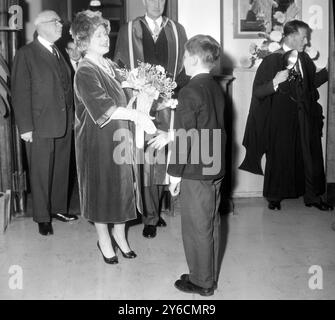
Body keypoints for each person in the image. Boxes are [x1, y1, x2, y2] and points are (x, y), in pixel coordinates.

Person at [71, 10, 156, 264]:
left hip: (119, 138)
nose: (106, 39)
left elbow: (124, 95)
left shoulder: (109, 65)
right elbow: (104, 108)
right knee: (102, 190)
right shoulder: (85, 71)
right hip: (97, 142)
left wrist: (144, 92)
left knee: (123, 189)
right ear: (84, 40)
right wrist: (136, 116)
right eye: (99, 35)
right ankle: (104, 240)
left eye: (106, 34)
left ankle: (120, 236)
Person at [240, 20, 333, 212]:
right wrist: (274, 81)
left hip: (305, 115)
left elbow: (311, 84)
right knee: (279, 156)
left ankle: (312, 196)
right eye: (303, 36)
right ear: (290, 36)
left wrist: (328, 71)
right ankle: (274, 197)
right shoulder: (272, 60)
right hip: (280, 118)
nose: (306, 41)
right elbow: (258, 91)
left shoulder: (305, 60)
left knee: (309, 155)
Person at [114, 0, 188, 239]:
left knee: (164, 160)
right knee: (147, 161)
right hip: (142, 105)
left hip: (168, 105)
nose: (157, 3)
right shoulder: (129, 29)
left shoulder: (177, 30)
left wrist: (175, 97)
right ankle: (150, 216)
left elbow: (184, 70)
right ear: (144, 1)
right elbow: (120, 67)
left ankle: (157, 210)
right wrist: (135, 92)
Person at [168, 35, 226, 296]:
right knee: (210, 223)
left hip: (195, 170)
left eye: (183, 56)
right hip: (215, 166)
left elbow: (183, 137)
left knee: (195, 227)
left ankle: (202, 282)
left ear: (191, 59)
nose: (182, 61)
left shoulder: (189, 91)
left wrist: (174, 174)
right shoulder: (214, 86)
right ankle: (206, 274)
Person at [11, 10, 78, 236]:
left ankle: (58, 209)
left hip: (63, 122)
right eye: (56, 22)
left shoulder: (58, 52)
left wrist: (73, 117)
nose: (61, 25)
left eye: (60, 21)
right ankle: (42, 216)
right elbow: (20, 93)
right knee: (40, 172)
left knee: (61, 168)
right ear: (40, 27)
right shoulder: (26, 54)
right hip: (39, 124)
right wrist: (26, 127)